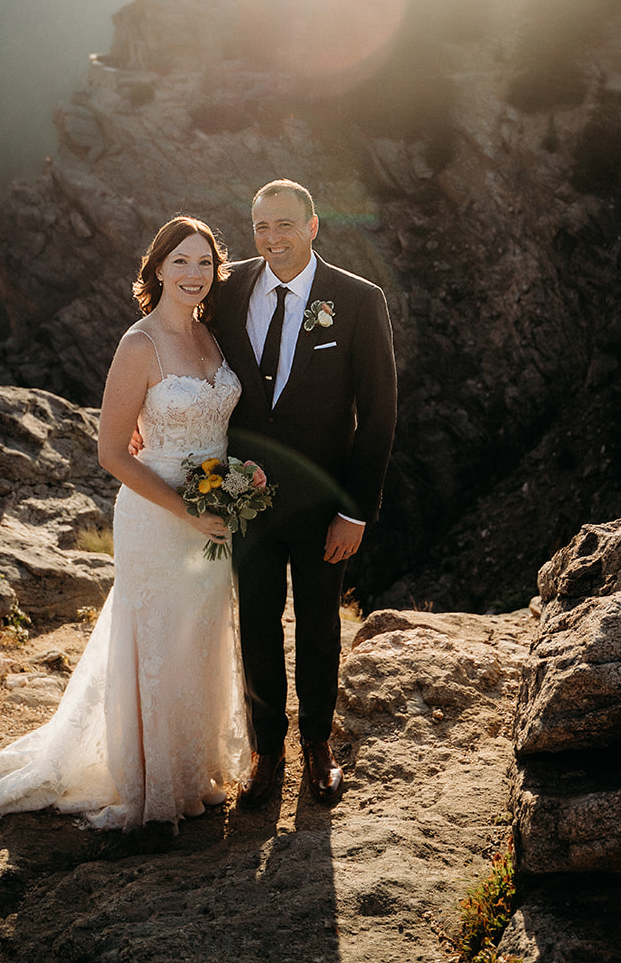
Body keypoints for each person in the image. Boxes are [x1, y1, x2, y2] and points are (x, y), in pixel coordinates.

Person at [0, 216, 250, 830]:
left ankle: (193, 765)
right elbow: (112, 453)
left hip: (213, 509)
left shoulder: (213, 338)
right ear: (155, 269)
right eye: (180, 261)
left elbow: (216, 425)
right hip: (158, 517)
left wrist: (233, 484)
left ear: (216, 271)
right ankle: (151, 780)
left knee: (199, 636)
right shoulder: (139, 344)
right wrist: (189, 510)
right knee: (154, 639)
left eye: (204, 262)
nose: (193, 274)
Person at [211, 179, 397, 807]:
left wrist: (355, 512)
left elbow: (378, 416)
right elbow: (171, 340)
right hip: (245, 497)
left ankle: (317, 746)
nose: (273, 239)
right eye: (261, 227)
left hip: (325, 504)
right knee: (256, 624)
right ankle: (268, 753)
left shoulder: (358, 299)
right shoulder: (226, 287)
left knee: (320, 625)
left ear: (314, 226)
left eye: (285, 224)